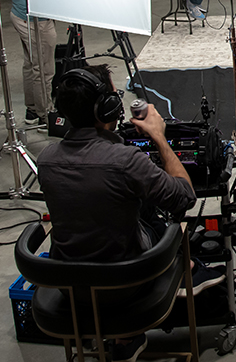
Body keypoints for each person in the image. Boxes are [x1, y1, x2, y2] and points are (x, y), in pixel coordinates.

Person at [38, 65, 221, 360]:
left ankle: (126, 341)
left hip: (69, 287)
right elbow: (184, 196)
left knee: (125, 206)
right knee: (162, 216)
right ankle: (188, 266)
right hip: (124, 286)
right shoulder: (125, 161)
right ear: (106, 108)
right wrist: (159, 138)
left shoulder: (46, 160)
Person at [8, 0, 56, 126]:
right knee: (43, 69)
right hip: (36, 18)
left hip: (20, 13)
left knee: (31, 64)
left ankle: (33, 110)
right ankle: (45, 116)